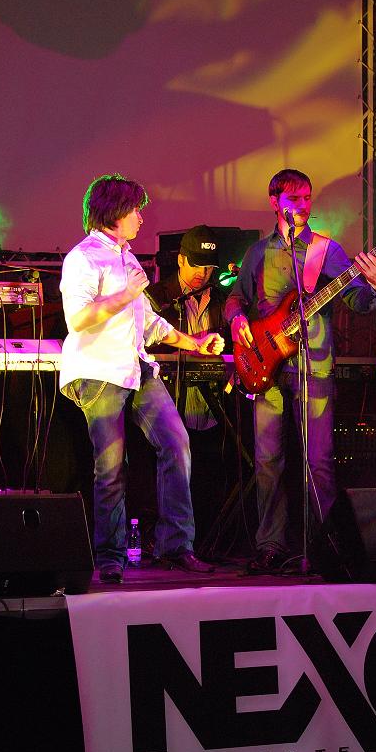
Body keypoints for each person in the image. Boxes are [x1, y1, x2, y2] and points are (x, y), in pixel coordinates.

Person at [59, 174, 224, 583]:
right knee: (111, 466)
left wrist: (195, 343)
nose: (141, 218)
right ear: (115, 212)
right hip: (99, 372)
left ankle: (176, 546)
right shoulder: (83, 258)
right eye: (135, 210)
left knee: (177, 443)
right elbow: (78, 319)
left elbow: (149, 324)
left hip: (136, 368)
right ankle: (110, 557)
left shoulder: (129, 260)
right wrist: (126, 295)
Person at [225, 167, 376, 574]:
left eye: (307, 198)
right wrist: (237, 320)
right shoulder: (257, 253)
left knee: (319, 461)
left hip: (313, 366)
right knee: (268, 462)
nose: (302, 205)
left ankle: (326, 546)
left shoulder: (325, 251)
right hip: (266, 367)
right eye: (294, 198)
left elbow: (358, 301)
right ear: (274, 202)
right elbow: (235, 298)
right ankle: (270, 545)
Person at [148, 225, 231, 547]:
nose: (202, 273)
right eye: (196, 265)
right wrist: (188, 345)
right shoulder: (157, 297)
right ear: (181, 260)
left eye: (209, 267)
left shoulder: (223, 300)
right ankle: (166, 544)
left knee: (209, 481)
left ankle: (207, 545)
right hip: (169, 406)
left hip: (213, 411)